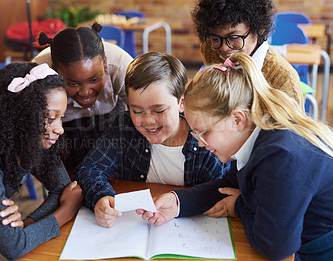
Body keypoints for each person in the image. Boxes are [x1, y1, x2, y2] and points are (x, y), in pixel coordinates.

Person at [137, 53, 333, 261]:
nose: (201, 143)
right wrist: (177, 202)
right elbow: (229, 184)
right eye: (196, 134)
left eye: (205, 133)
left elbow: (275, 247)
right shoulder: (256, 135)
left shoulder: (280, 156)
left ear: (238, 120)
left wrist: (239, 206)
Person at [74, 52, 231, 228]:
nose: (148, 121)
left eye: (159, 110)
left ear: (181, 102)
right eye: (137, 111)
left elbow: (221, 189)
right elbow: (89, 169)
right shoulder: (124, 127)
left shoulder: (205, 141)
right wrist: (100, 196)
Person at [0, 63, 83, 260]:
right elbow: (13, 248)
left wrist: (29, 224)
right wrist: (65, 212)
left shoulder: (34, 142)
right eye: (50, 117)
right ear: (19, 115)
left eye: (61, 117)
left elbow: (64, 189)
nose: (60, 128)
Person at [33, 23, 133, 171]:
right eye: (73, 83)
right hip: (62, 129)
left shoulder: (121, 66)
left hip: (109, 116)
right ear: (54, 71)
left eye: (94, 80)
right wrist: (60, 187)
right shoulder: (37, 76)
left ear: (105, 63)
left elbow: (146, 116)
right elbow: (35, 146)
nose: (85, 92)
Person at [192, 0, 303, 107]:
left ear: (259, 29)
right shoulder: (211, 50)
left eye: (234, 38)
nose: (224, 48)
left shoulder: (283, 79)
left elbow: (290, 125)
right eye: (215, 38)